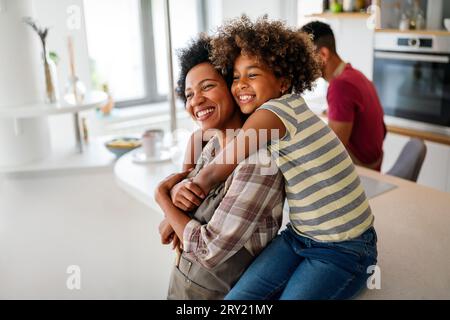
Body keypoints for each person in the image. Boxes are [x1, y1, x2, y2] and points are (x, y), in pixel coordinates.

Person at [177, 15, 377, 300]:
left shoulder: (275, 113)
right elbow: (202, 136)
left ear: (283, 82)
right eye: (236, 77)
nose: (241, 84)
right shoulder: (273, 115)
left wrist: (185, 192)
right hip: (299, 236)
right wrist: (181, 181)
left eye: (253, 74)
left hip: (345, 248)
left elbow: (223, 164)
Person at [154, 34, 285, 300]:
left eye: (207, 87)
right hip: (183, 286)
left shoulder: (259, 162)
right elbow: (168, 228)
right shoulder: (212, 146)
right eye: (189, 94)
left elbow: (206, 250)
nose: (196, 100)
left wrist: (161, 196)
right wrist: (177, 193)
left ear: (233, 89)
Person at [301, 21, 386, 171]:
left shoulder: (340, 86)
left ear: (323, 54)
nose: (300, 64)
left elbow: (332, 152)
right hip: (374, 166)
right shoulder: (356, 75)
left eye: (303, 57)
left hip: (362, 176)